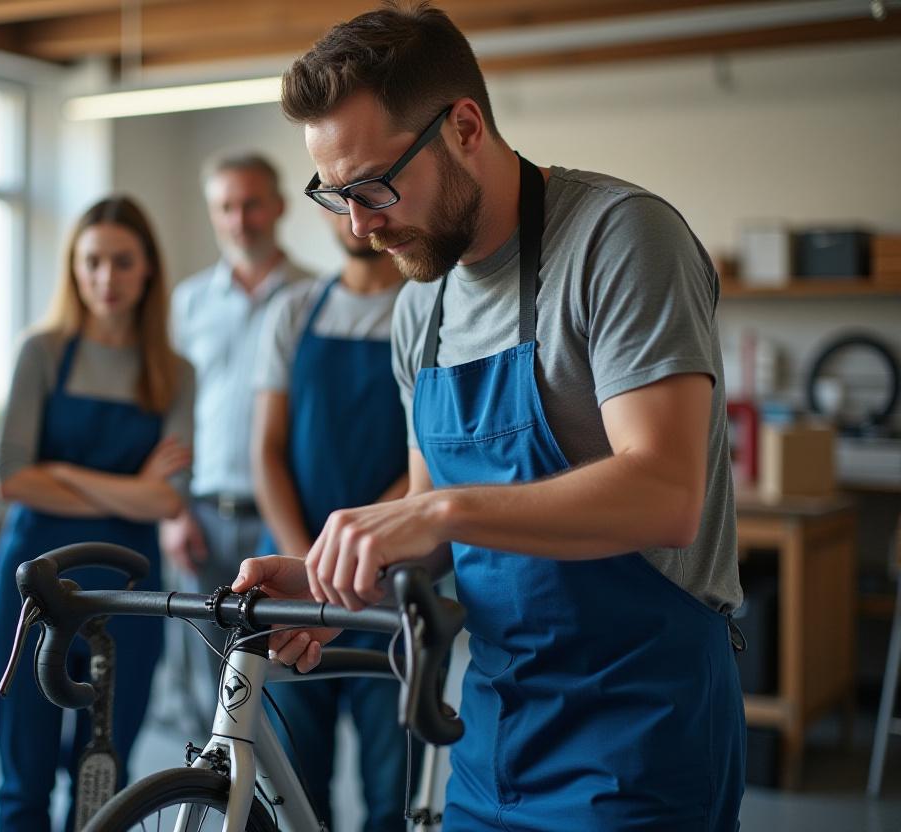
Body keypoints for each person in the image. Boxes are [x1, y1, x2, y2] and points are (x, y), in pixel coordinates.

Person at [235, 4, 746, 831]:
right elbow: (436, 531)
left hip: (641, 735)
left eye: (374, 186)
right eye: (336, 197)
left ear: (464, 126)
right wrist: (331, 579)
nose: (361, 227)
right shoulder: (420, 309)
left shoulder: (619, 241)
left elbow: (667, 492)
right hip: (493, 733)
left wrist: (438, 507)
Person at [0, 195, 194, 832]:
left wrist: (65, 472)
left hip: (128, 601)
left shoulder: (174, 373)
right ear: (73, 268)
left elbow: (167, 498)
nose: (106, 278)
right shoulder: (41, 352)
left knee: (103, 779)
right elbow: (10, 478)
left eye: (122, 263)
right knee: (23, 781)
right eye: (92, 262)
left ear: (148, 269)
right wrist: (126, 483)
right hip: (33, 593)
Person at [252, 210, 412, 830]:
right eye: (337, 198)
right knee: (293, 784)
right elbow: (266, 451)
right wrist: (308, 569)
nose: (354, 214)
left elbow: (428, 462)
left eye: (367, 192)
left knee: (390, 791)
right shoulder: (294, 310)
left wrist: (357, 552)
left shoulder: (426, 310)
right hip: (291, 593)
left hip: (388, 588)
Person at [161, 152, 314, 722]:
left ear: (278, 206)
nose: (239, 219)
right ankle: (221, 805)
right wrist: (171, 512)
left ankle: (280, 805)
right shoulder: (189, 302)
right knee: (208, 681)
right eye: (225, 206)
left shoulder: (311, 296)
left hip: (280, 517)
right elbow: (172, 415)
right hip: (201, 515)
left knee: (283, 680)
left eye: (251, 203)